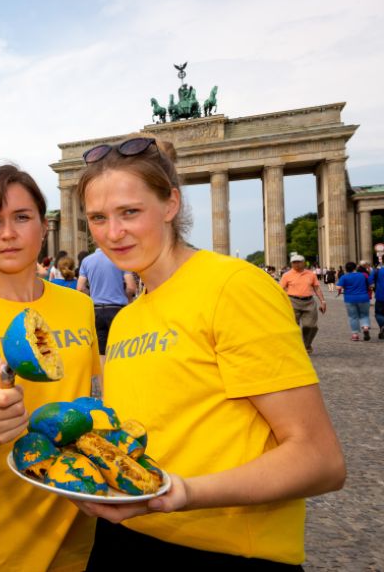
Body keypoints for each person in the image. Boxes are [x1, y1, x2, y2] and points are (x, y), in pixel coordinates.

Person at [35, 134, 345, 568]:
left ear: (171, 204)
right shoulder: (127, 317)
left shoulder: (232, 286)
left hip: (223, 549)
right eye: (98, 218)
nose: (113, 232)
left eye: (130, 212)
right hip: (123, 535)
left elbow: (320, 460)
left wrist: (181, 493)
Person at [0, 164, 101, 572]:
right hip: (2, 520)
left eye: (21, 218)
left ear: (43, 227)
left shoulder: (79, 306)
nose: (8, 233)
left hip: (81, 512)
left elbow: (95, 392)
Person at [77, 248, 136, 358]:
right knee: (121, 348)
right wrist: (127, 297)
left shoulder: (87, 261)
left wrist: (92, 294)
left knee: (101, 352)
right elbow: (131, 287)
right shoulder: (120, 259)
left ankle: (103, 375)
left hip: (96, 310)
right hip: (117, 309)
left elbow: (80, 288)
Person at [280, 254, 327, 354]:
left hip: (309, 302)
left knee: (311, 326)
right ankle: (295, 346)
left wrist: (323, 301)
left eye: (298, 262)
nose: (296, 264)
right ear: (291, 264)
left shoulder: (311, 274)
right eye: (294, 262)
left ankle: (306, 344)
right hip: (292, 301)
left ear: (303, 263)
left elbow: (317, 288)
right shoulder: (286, 275)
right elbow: (281, 290)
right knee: (293, 326)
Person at [337, 261, 372, 341]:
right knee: (364, 315)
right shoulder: (363, 275)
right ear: (355, 268)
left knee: (353, 317)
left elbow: (338, 287)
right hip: (363, 297)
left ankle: (355, 335)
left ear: (346, 269)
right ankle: (365, 327)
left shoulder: (344, 277)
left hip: (350, 299)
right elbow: (370, 284)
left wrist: (345, 287)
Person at [372, 262, 384, 339]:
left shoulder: (377, 271)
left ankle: (382, 326)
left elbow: (370, 281)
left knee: (379, 313)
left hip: (381, 296)